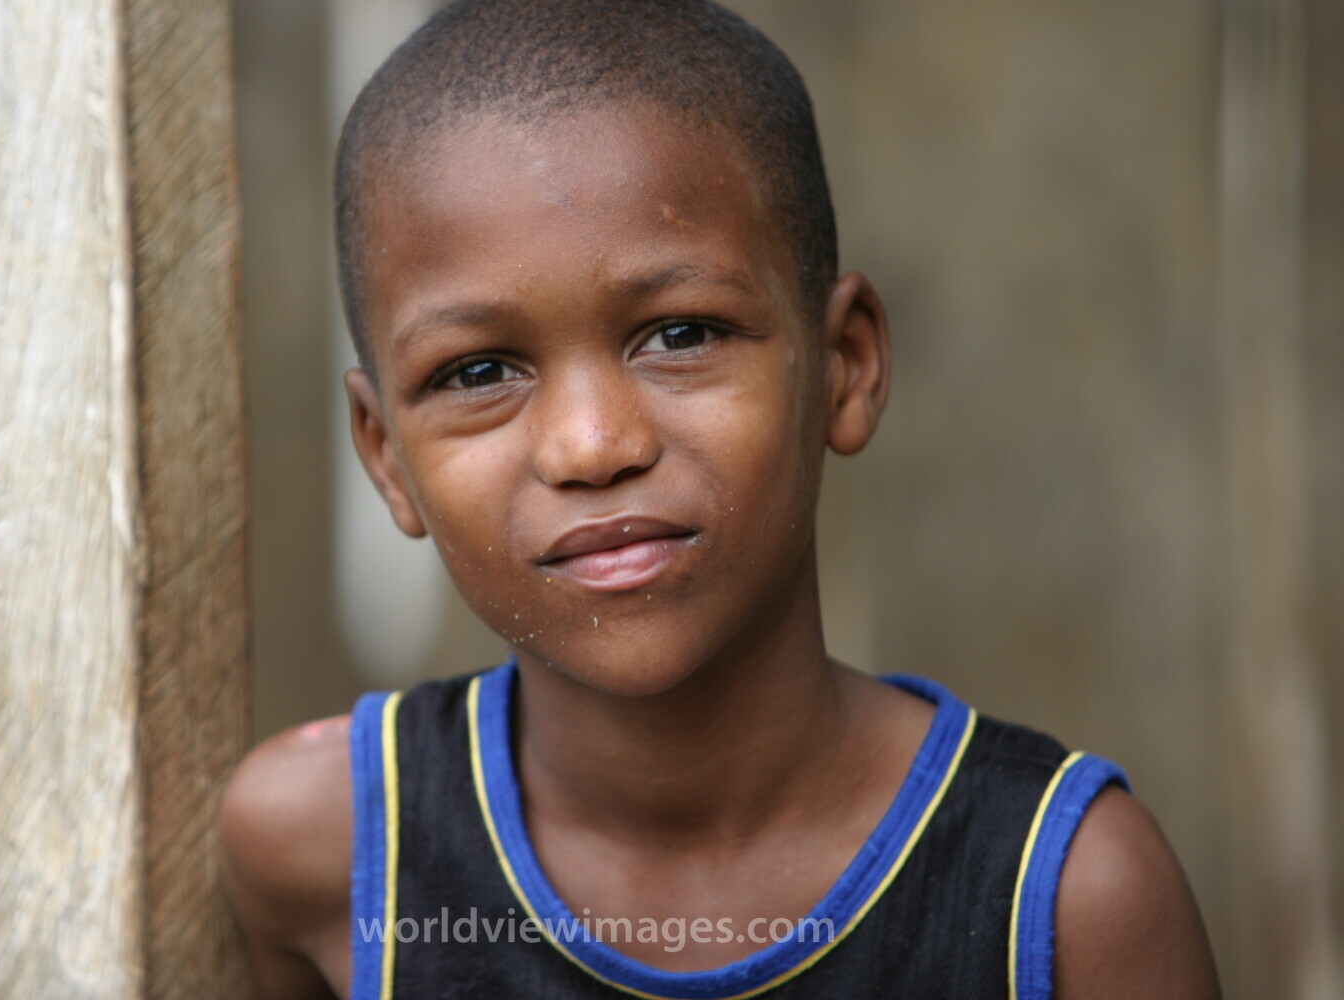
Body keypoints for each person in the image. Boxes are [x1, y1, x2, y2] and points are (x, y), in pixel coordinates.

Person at [220, 1, 1222, 997]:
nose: (591, 445)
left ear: (844, 363)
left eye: (682, 334)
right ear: (386, 455)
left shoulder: (1064, 897)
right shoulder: (331, 850)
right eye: (479, 371)